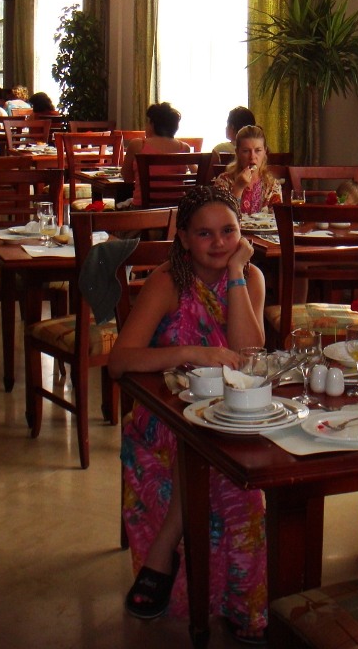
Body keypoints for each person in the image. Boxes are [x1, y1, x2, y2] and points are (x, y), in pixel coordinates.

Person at [110, 186, 269, 643]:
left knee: (235, 465)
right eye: (204, 234)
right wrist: (192, 352)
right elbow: (120, 362)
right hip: (165, 417)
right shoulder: (167, 282)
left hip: (231, 417)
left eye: (228, 232)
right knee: (204, 454)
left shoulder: (250, 278)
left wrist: (236, 274)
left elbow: (248, 355)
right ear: (182, 238)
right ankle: (207, 579)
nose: (219, 243)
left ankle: (233, 597)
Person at [121, 102, 192, 208]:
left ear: (152, 125)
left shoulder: (138, 145)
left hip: (143, 210)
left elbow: (127, 178)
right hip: (176, 210)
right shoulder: (184, 148)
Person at [213, 125, 282, 214]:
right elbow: (221, 217)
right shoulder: (224, 181)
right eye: (246, 151)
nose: (252, 157)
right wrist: (238, 188)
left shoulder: (272, 185)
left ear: (265, 151)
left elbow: (277, 219)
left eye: (258, 150)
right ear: (237, 152)